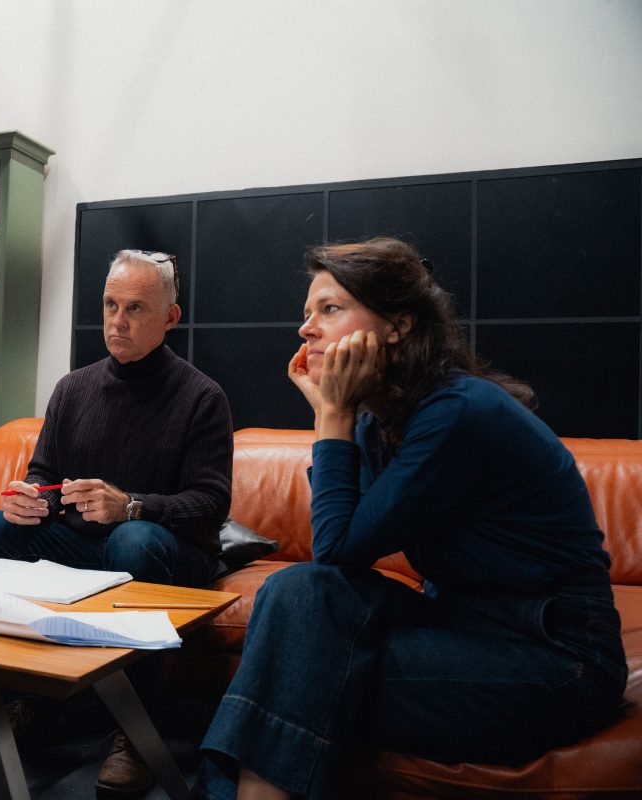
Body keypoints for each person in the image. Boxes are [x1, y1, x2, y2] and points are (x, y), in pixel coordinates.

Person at [192, 237, 627, 800]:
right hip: (459, 627)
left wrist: (332, 414)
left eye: (329, 309)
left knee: (300, 675)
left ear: (396, 325)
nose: (306, 330)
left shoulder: (459, 412)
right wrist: (346, 418)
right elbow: (334, 567)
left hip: (555, 659)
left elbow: (338, 546)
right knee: (300, 591)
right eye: (306, 315)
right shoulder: (382, 424)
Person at [0, 249, 234, 795]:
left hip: (169, 554)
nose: (117, 320)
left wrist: (131, 504)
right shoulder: (73, 388)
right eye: (111, 304)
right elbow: (43, 474)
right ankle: (28, 700)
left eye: (135, 308)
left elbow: (211, 504)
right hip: (90, 547)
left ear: (170, 318)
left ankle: (136, 732)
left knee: (132, 539)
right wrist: (27, 499)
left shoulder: (202, 396)